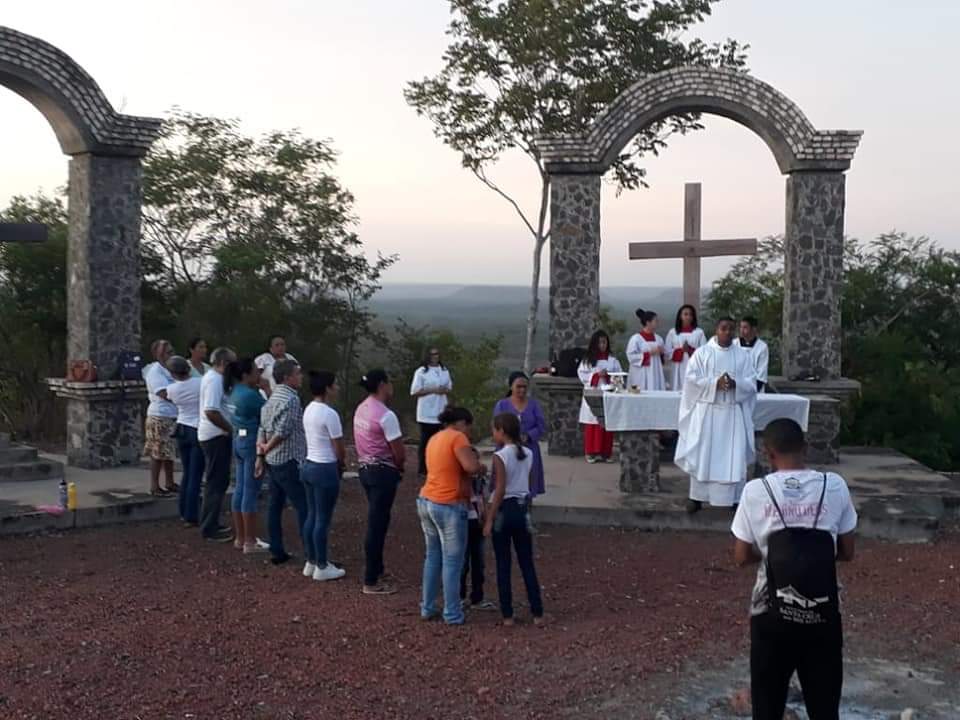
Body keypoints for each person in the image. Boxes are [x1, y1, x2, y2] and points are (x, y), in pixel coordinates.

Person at [732, 419, 857, 720]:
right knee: (824, 705)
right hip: (822, 610)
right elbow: (847, 552)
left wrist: (771, 556)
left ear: (768, 453)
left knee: (767, 702)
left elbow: (739, 556)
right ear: (806, 448)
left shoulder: (755, 491)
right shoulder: (834, 486)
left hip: (770, 611)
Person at [675, 317, 758, 513]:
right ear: (716, 330)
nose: (727, 332)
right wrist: (714, 384)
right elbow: (691, 380)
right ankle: (696, 497)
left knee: (734, 455)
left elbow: (752, 383)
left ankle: (735, 498)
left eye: (731, 329)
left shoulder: (742, 355)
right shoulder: (702, 353)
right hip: (708, 413)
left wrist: (736, 384)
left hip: (731, 414)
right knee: (703, 456)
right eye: (723, 328)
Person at [417, 406, 482, 624]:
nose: (470, 431)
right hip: (449, 503)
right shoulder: (458, 438)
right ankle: (452, 612)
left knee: (432, 556)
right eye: (469, 426)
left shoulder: (435, 438)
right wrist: (481, 467)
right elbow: (470, 467)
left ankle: (427, 606)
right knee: (453, 560)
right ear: (462, 423)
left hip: (427, 499)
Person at [484, 413, 544, 626]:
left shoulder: (500, 456)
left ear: (501, 430)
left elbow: (499, 489)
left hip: (504, 510)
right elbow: (528, 486)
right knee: (526, 562)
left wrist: (489, 519)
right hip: (521, 508)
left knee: (503, 563)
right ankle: (537, 611)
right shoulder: (528, 453)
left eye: (494, 430)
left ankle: (507, 614)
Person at [353, 369, 406, 596]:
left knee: (378, 520)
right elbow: (399, 452)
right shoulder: (386, 415)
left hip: (365, 468)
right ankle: (371, 580)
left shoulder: (362, 408)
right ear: (383, 385)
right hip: (383, 471)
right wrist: (399, 468)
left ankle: (378, 568)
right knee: (377, 525)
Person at [256, 359, 308, 566]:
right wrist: (267, 448)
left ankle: (277, 549)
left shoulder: (270, 399)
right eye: (298, 373)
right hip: (288, 458)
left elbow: (262, 428)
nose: (300, 377)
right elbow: (283, 431)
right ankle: (312, 554)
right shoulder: (291, 400)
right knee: (304, 506)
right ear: (287, 377)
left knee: (275, 506)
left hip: (272, 460)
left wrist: (261, 454)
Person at [301, 370, 347, 582]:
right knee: (323, 518)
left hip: (309, 464)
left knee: (312, 515)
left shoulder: (309, 409)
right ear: (327, 388)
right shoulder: (330, 414)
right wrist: (341, 465)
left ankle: (311, 560)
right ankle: (322, 565)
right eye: (334, 385)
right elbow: (338, 447)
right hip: (324, 467)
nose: (337, 388)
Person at [224, 358, 266, 554]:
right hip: (250, 441)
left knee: (240, 488)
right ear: (245, 375)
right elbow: (270, 412)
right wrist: (267, 389)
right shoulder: (250, 396)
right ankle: (250, 540)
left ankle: (240, 538)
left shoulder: (234, 392)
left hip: (238, 437)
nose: (259, 375)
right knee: (250, 490)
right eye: (256, 372)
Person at [197, 347, 237, 542]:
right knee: (215, 481)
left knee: (218, 480)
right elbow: (211, 411)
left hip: (214, 435)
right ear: (224, 363)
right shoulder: (214, 380)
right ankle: (209, 527)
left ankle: (211, 521)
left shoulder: (212, 377)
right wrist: (230, 429)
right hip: (215, 436)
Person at [165, 356, 205, 526]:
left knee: (187, 472)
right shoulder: (200, 383)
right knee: (196, 474)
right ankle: (191, 514)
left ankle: (183, 511)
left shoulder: (171, 389)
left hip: (181, 427)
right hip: (197, 427)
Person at [492, 371, 547, 496]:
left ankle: (527, 503)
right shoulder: (502, 405)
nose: (522, 390)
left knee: (528, 478)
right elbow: (496, 426)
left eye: (524, 387)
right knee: (505, 477)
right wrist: (509, 438)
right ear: (511, 386)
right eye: (518, 386)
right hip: (506, 448)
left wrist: (528, 436)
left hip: (529, 447)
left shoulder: (534, 405)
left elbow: (541, 426)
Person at [577, 330, 623, 463]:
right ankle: (590, 452)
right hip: (593, 393)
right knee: (593, 423)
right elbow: (582, 375)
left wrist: (608, 375)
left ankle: (606, 453)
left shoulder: (613, 360)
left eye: (604, 342)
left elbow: (619, 375)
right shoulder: (588, 360)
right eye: (599, 342)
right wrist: (597, 375)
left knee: (606, 423)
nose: (602, 345)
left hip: (608, 394)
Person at [409, 347, 452, 477]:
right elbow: (415, 391)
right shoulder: (421, 372)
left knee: (441, 442)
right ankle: (423, 469)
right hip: (427, 412)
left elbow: (449, 387)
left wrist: (443, 390)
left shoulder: (444, 370)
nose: (435, 357)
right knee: (425, 442)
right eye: (432, 354)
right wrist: (432, 390)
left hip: (441, 411)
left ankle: (439, 467)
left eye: (437, 354)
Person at [144, 339, 178, 497]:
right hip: (160, 416)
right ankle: (155, 486)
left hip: (172, 415)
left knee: (168, 452)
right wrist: (183, 394)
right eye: (169, 352)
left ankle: (170, 482)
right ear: (159, 355)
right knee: (157, 452)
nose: (172, 354)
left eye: (172, 351)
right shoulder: (155, 372)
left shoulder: (171, 370)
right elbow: (164, 394)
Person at [664, 304, 707, 391]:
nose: (688, 317)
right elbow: (667, 352)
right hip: (677, 367)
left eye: (691, 314)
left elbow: (705, 351)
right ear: (680, 316)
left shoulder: (699, 332)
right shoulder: (673, 332)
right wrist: (681, 351)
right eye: (685, 314)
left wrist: (690, 350)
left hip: (694, 366)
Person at [625, 309, 666, 391]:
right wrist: (649, 354)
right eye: (655, 321)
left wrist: (662, 353)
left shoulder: (659, 339)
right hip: (641, 373)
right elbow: (631, 357)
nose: (657, 323)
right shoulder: (636, 339)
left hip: (655, 372)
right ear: (648, 322)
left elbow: (663, 358)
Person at [735, 316, 770, 392]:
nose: (741, 330)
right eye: (741, 327)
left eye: (745, 328)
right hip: (736, 389)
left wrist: (751, 390)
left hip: (755, 390)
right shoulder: (734, 344)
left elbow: (761, 373)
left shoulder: (762, 347)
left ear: (754, 329)